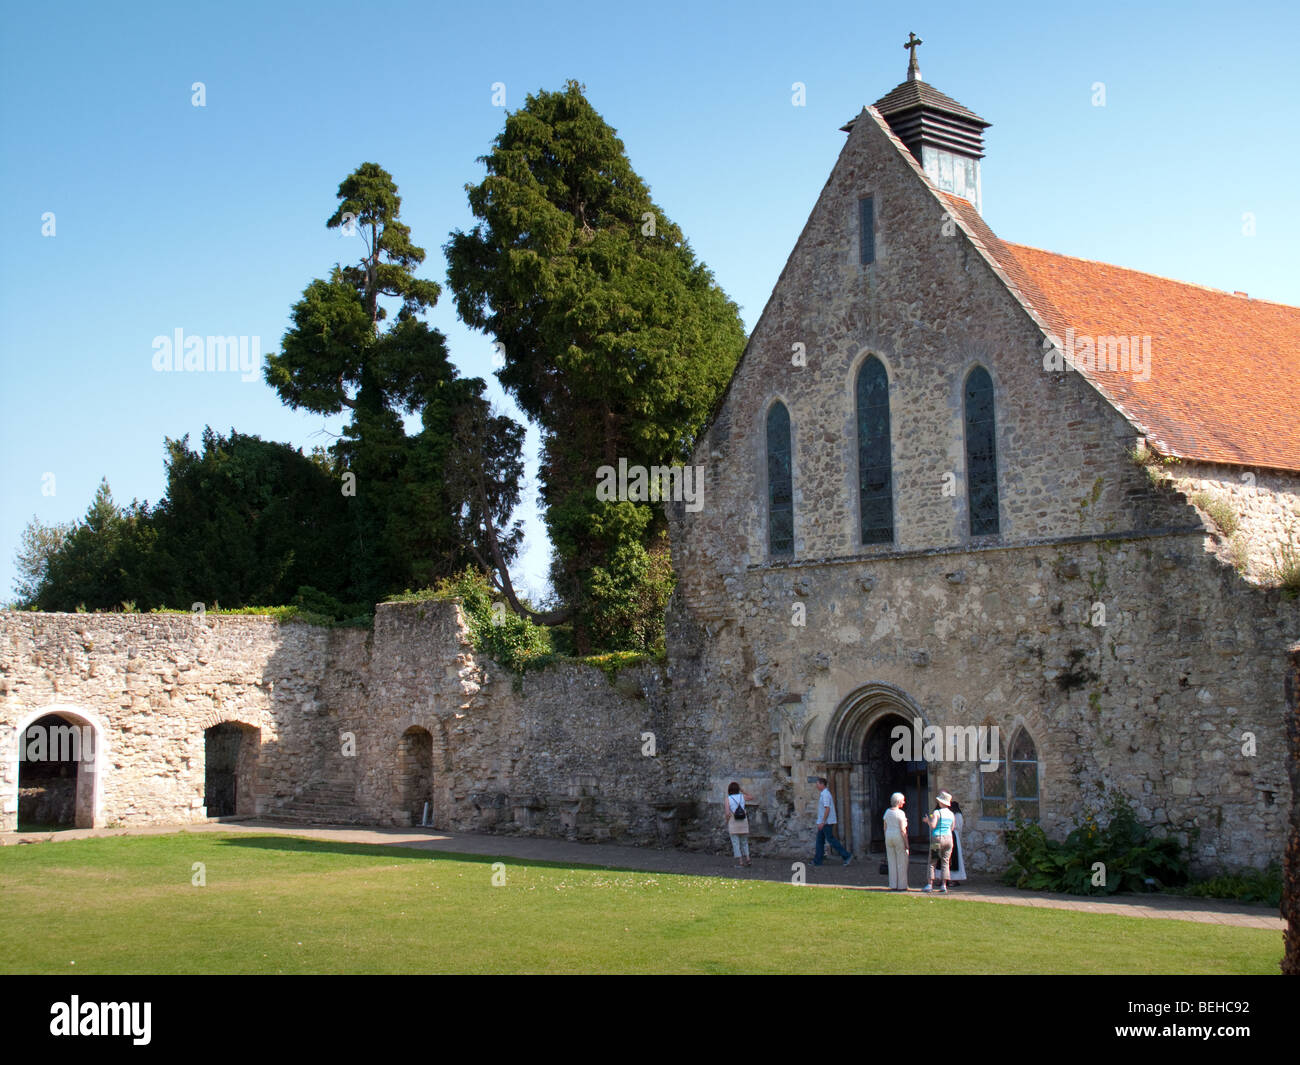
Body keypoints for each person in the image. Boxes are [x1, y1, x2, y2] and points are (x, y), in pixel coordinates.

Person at [813, 777, 853, 866]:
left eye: (818, 784)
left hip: (826, 823)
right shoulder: (824, 794)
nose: (817, 786)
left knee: (831, 840)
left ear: (822, 784)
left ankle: (846, 856)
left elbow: (827, 808)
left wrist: (823, 822)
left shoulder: (825, 795)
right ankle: (817, 861)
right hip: (824, 822)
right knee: (820, 841)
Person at [923, 790, 955, 893]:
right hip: (949, 839)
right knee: (945, 861)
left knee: (933, 861)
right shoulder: (951, 814)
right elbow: (953, 828)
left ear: (941, 802)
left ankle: (929, 884)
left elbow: (933, 826)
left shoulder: (937, 812)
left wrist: (928, 820)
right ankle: (944, 885)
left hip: (937, 838)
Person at [882, 792, 909, 890]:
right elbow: (903, 829)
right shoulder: (900, 813)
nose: (904, 802)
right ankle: (902, 885)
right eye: (903, 800)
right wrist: (906, 843)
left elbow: (885, 827)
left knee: (891, 861)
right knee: (901, 861)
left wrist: (886, 837)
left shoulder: (887, 812)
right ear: (898, 802)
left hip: (889, 835)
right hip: (898, 835)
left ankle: (893, 884)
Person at [725, 781, 753, 867]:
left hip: (733, 821)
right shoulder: (742, 797)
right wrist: (742, 790)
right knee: (744, 841)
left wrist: (727, 821)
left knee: (736, 843)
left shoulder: (728, 799)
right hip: (743, 821)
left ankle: (740, 861)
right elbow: (751, 797)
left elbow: (727, 813)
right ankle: (748, 858)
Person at [946, 800, 967, 888]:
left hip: (955, 835)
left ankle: (955, 879)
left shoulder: (957, 815)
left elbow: (958, 826)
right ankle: (946, 878)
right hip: (950, 835)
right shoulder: (951, 815)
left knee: (955, 859)